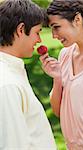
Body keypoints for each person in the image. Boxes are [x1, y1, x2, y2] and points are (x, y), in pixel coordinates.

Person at [40, 0, 83, 149]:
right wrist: (57, 78)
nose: (54, 35)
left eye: (57, 27)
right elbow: (57, 110)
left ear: (77, 20)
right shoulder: (65, 55)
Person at [0, 0, 57, 150]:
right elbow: (12, 145)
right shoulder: (7, 83)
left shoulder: (12, 72)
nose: (39, 40)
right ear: (21, 29)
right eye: (37, 32)